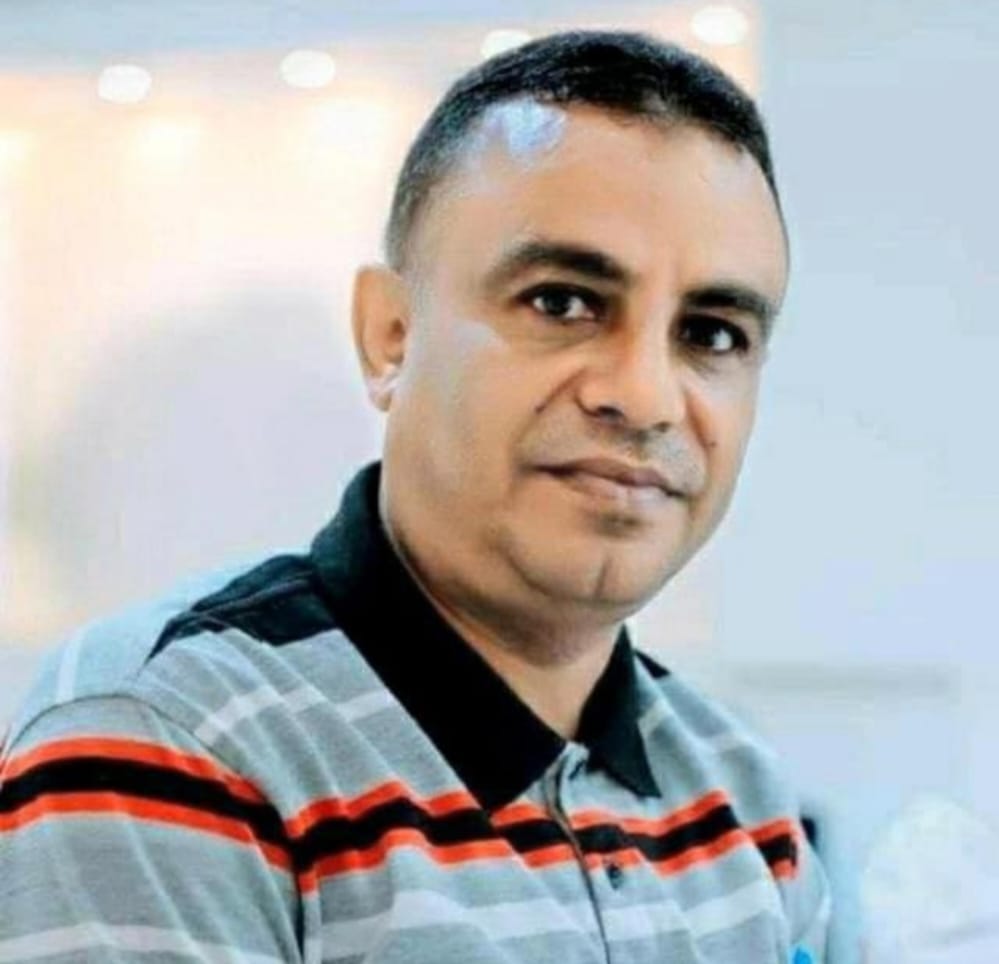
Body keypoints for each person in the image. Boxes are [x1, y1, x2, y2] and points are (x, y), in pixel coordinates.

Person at [0, 29, 830, 963]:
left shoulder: (737, 790)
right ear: (390, 336)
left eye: (711, 334)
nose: (643, 397)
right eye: (561, 302)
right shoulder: (167, 738)